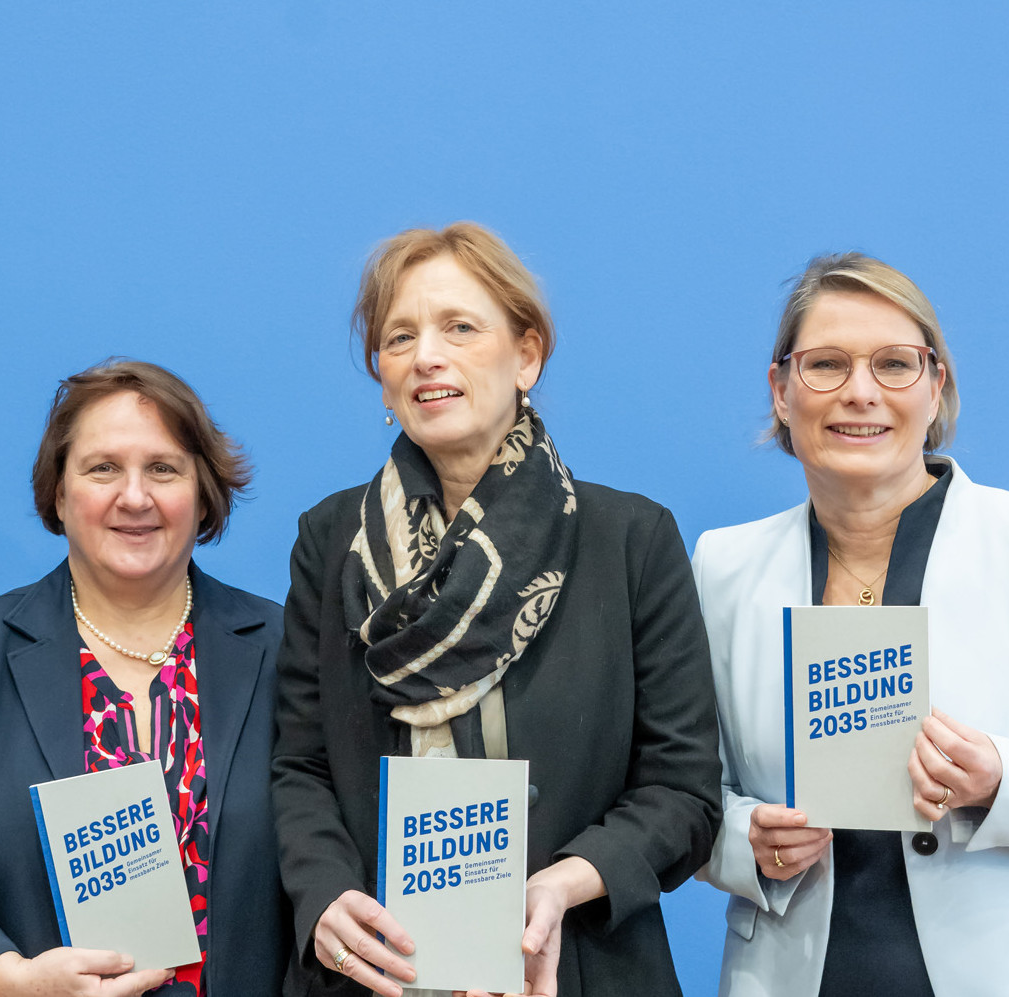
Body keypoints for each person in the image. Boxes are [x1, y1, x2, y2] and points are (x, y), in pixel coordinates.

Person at [693, 252, 1009, 996]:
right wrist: (743, 840)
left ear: (935, 387)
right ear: (782, 390)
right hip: (793, 975)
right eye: (826, 364)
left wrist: (1002, 781)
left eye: (894, 364)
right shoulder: (723, 568)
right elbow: (689, 792)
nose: (861, 393)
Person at [272, 223, 721, 997]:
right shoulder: (331, 540)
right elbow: (301, 766)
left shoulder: (629, 539)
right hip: (377, 970)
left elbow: (682, 790)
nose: (426, 356)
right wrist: (325, 896)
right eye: (399, 336)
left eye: (459, 328)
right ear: (382, 378)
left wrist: (558, 888)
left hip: (570, 964)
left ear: (527, 355)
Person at [0, 359, 289, 997]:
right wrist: (9, 980)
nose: (135, 496)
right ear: (59, 493)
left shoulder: (285, 651)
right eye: (103, 468)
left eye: (163, 469)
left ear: (204, 495)